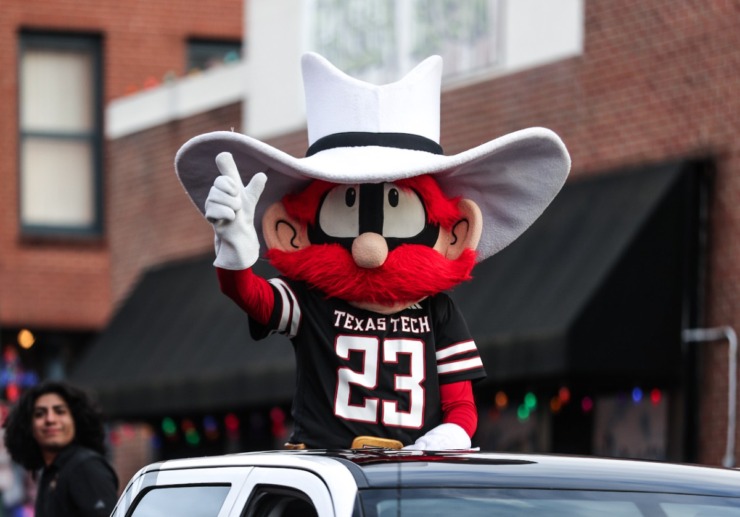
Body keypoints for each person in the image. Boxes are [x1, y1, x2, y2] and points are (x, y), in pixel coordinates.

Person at [174, 52, 570, 450]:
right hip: (326, 474)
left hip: (412, 478)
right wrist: (235, 256)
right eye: (345, 217)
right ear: (291, 231)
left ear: (454, 233)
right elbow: (250, 296)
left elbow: (461, 404)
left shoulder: (438, 312)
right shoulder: (312, 302)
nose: (370, 247)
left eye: (400, 220)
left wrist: (448, 437)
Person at [2, 381, 118, 517]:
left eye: (60, 411)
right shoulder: (49, 472)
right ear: (28, 426)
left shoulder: (85, 466)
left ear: (76, 419)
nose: (50, 419)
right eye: (39, 414)